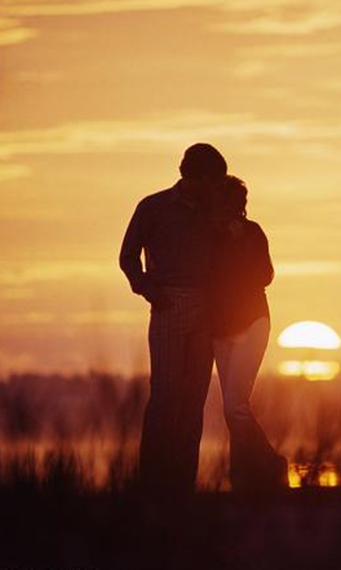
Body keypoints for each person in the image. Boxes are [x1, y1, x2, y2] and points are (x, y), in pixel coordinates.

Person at [119, 143, 227, 507]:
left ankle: (183, 486)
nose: (215, 187)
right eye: (211, 180)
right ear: (191, 176)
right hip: (168, 304)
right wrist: (150, 292)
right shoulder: (153, 207)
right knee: (164, 397)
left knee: (194, 399)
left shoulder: (216, 211)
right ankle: (152, 483)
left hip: (208, 308)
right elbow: (128, 256)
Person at [210, 174, 288, 492]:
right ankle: (243, 474)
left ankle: (267, 463)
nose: (233, 208)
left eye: (236, 202)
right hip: (219, 327)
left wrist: (239, 244)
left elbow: (266, 275)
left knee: (234, 406)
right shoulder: (207, 237)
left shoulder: (253, 233)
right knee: (235, 406)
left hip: (253, 322)